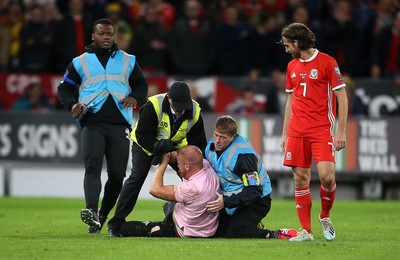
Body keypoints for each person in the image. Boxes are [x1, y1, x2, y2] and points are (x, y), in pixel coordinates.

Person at [57, 18, 148, 234]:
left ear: (114, 35)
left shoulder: (128, 60)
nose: (106, 37)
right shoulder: (80, 62)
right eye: (102, 34)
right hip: (92, 122)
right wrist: (71, 105)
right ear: (93, 36)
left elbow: (141, 84)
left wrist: (135, 96)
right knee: (93, 167)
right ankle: (91, 211)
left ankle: (102, 215)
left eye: (110, 34)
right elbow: (64, 88)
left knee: (117, 175)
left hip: (120, 125)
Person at [107, 81, 208, 237]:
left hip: (176, 148)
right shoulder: (152, 105)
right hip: (145, 145)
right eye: (178, 106)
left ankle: (193, 219)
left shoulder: (194, 111)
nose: (181, 111)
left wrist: (181, 154)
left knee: (194, 176)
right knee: (137, 178)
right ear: (169, 99)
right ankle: (115, 224)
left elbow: (199, 143)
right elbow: (142, 136)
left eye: (184, 106)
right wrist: (159, 149)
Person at [279, 22, 348, 242]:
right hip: (297, 130)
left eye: (288, 44)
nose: (286, 49)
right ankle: (306, 231)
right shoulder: (292, 67)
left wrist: (341, 131)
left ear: (298, 43)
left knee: (327, 178)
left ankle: (325, 216)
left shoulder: (327, 62)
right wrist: (285, 133)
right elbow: (291, 100)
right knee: (300, 178)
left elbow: (342, 97)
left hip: (320, 129)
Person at [205, 115, 297, 240]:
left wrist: (226, 201)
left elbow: (254, 190)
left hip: (257, 200)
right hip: (231, 198)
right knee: (212, 230)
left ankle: (274, 234)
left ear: (233, 137)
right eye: (216, 135)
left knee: (235, 232)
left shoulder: (243, 156)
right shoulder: (211, 146)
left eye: (222, 137)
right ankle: (248, 224)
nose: (217, 141)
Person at [119, 145, 220, 238]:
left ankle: (121, 228)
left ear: (187, 166)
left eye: (179, 164)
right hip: (207, 228)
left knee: (134, 228)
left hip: (184, 229)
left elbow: (154, 190)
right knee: (171, 203)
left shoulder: (191, 189)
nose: (178, 167)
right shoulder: (206, 166)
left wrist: (163, 163)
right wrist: (177, 155)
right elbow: (187, 169)